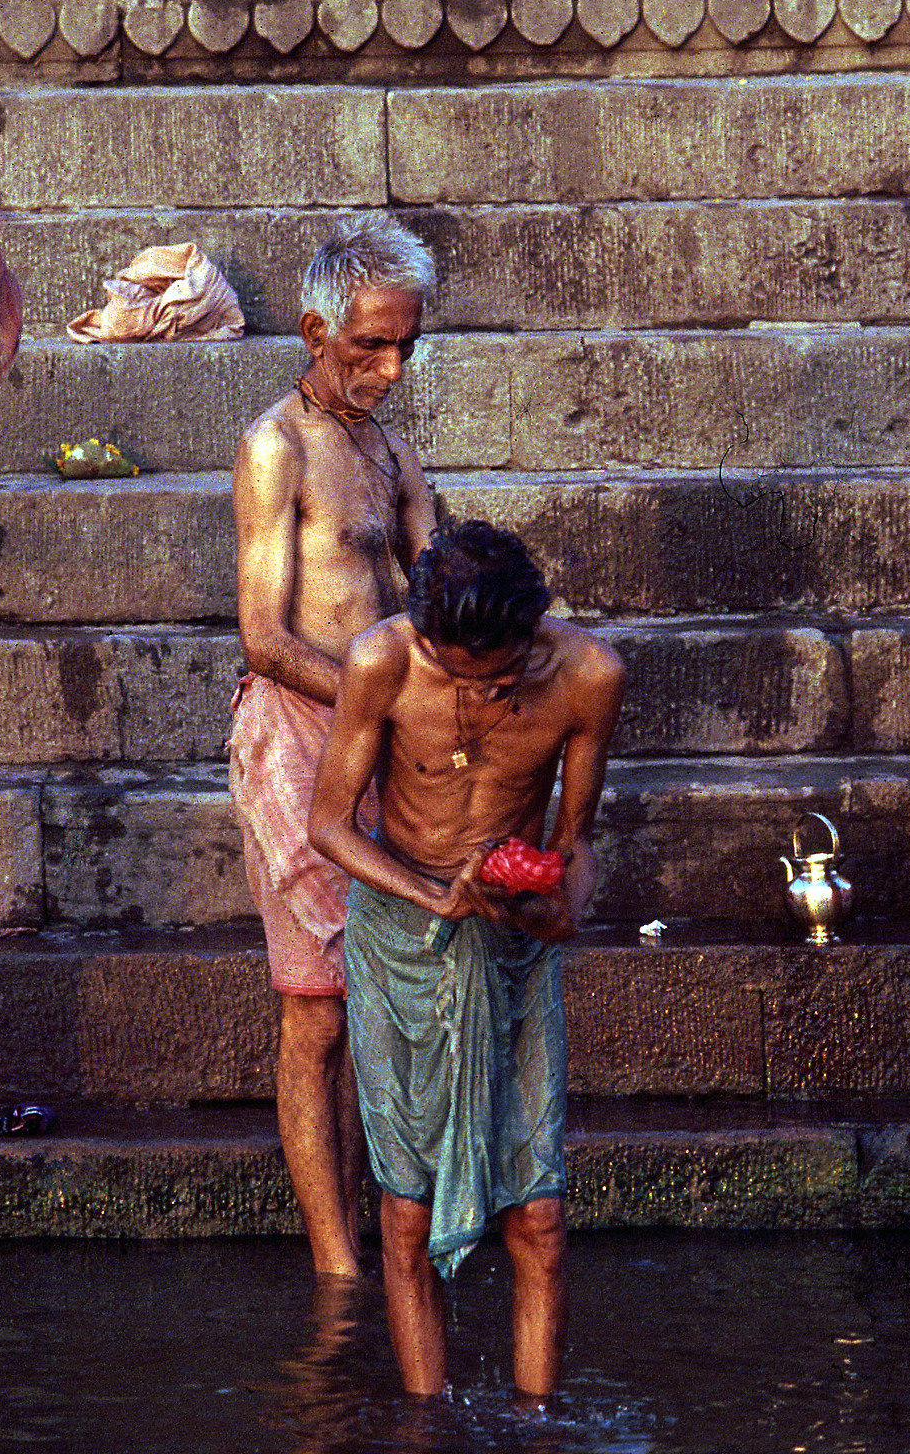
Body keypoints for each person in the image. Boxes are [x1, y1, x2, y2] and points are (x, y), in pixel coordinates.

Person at [308, 520, 624, 1402]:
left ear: (532, 630)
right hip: (404, 939)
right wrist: (431, 893)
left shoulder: (591, 677)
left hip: (514, 943)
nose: (479, 692)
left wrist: (566, 904)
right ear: (425, 637)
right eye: (457, 671)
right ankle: (426, 1424)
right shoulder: (381, 662)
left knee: (543, 1218)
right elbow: (328, 823)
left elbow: (577, 841)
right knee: (406, 1214)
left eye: (499, 673)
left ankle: (535, 1419)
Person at [230, 213, 439, 1279]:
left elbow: (442, 584)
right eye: (370, 346)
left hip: (384, 734)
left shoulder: (392, 449)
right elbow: (265, 638)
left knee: (371, 1000)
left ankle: (381, 1236)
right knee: (315, 1012)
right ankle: (336, 1267)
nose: (390, 368)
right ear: (317, 330)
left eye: (406, 345)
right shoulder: (276, 447)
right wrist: (386, 693)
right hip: (299, 735)